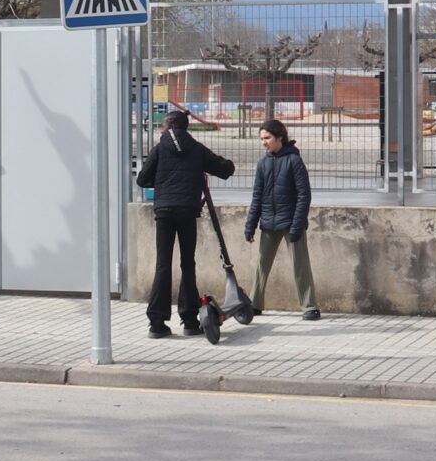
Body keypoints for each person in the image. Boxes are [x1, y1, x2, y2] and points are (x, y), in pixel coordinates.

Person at [136, 107, 235, 338]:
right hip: (188, 211)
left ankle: (157, 324)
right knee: (187, 264)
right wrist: (228, 164)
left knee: (162, 265)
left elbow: (142, 179)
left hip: (164, 212)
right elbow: (224, 169)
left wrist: (161, 182)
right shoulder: (196, 148)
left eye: (163, 125)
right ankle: (190, 321)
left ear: (170, 126)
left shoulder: (159, 149)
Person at [243, 117, 319, 320]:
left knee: (300, 264)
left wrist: (297, 225)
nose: (264, 142)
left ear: (280, 138)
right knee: (261, 265)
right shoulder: (262, 164)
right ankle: (254, 304)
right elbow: (257, 196)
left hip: (291, 222)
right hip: (269, 222)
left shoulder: (294, 161)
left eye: (267, 138)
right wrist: (250, 226)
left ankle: (310, 306)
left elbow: (304, 195)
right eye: (261, 139)